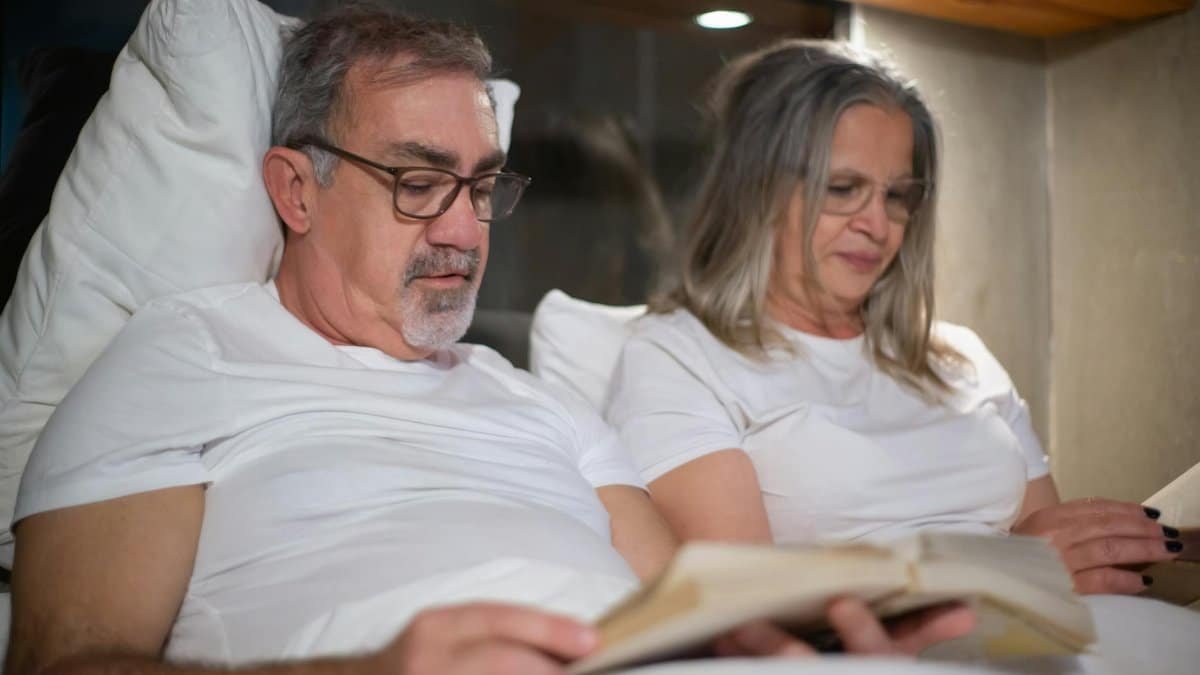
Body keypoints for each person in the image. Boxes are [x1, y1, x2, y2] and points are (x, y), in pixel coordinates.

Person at [6, 11, 972, 675]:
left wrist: (810, 647)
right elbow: (62, 663)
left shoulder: (534, 399)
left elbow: (685, 603)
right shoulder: (183, 358)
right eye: (419, 182)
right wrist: (372, 671)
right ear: (297, 190)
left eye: (480, 186)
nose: (465, 231)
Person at [604, 39, 1182, 595]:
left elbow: (1061, 554)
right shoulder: (678, 356)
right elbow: (742, 602)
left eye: (898, 195)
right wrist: (1006, 568)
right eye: (843, 188)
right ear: (754, 190)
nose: (877, 225)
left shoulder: (961, 358)